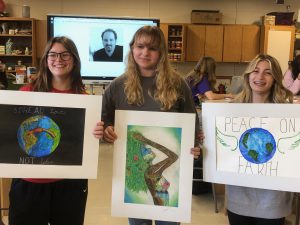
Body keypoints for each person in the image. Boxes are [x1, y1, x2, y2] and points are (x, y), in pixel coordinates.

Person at [101, 25, 201, 225]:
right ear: (132, 49)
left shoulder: (178, 84)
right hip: (131, 178)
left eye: (152, 48)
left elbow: (192, 124)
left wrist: (195, 148)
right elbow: (104, 122)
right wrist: (107, 131)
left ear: (161, 53)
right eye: (140, 46)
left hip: (174, 189)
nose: (145, 52)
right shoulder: (117, 87)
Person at [8, 36, 104, 225]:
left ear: (74, 60)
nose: (58, 59)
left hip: (69, 185)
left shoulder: (85, 100)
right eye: (52, 54)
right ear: (45, 59)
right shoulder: (26, 94)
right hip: (29, 184)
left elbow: (85, 143)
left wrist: (97, 133)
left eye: (65, 55)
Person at [226, 54, 293, 225]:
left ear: (276, 78)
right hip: (239, 198)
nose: (260, 77)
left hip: (273, 200)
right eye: (255, 71)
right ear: (248, 75)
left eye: (268, 73)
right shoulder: (231, 111)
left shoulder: (289, 114)